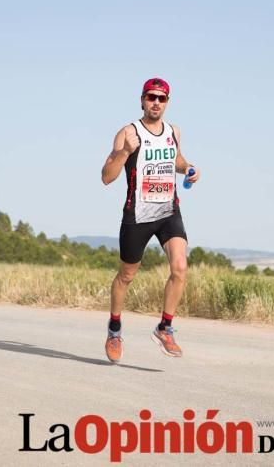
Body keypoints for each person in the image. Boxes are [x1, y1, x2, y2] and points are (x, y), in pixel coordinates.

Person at [101, 77, 200, 363]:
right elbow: (107, 177)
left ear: (167, 102)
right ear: (142, 100)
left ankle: (165, 327)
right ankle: (115, 329)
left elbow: (177, 161)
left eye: (162, 98)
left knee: (180, 268)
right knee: (126, 276)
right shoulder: (127, 133)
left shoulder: (174, 131)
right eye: (151, 97)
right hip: (138, 214)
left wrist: (190, 168)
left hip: (168, 211)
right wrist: (124, 152)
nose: (156, 102)